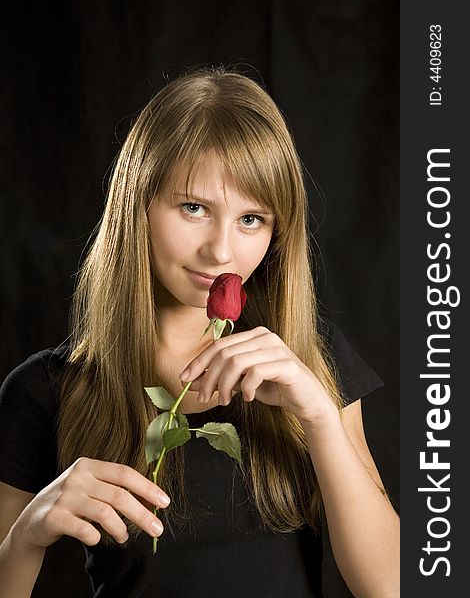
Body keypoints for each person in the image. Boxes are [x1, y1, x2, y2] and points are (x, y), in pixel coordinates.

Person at [0, 65, 399, 597]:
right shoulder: (46, 389)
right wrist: (26, 535)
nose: (221, 251)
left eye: (251, 219)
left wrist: (320, 413)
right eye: (194, 208)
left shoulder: (311, 356)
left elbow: (391, 586)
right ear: (137, 204)